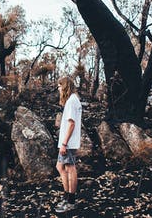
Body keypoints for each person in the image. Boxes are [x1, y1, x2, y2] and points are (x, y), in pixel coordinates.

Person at [55, 76, 82, 213]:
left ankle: (71, 201)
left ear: (65, 86)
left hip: (68, 143)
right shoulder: (73, 100)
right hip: (67, 143)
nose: (58, 88)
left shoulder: (72, 101)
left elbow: (72, 124)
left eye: (60, 86)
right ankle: (67, 197)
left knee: (70, 168)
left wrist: (64, 143)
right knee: (60, 166)